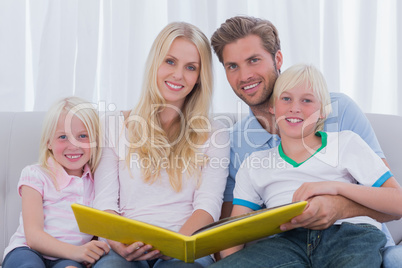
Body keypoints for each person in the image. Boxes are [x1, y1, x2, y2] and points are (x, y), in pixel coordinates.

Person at [210, 15, 402, 266]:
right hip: (287, 246)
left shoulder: (340, 113)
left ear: (277, 59)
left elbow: (391, 202)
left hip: (355, 239)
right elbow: (231, 229)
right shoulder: (236, 142)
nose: (245, 75)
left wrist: (339, 206)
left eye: (253, 60)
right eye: (232, 66)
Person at [92, 22, 230, 268]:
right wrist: (117, 243)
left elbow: (208, 206)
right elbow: (104, 203)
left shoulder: (216, 134)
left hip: (185, 245)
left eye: (190, 67)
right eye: (170, 61)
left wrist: (176, 243)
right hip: (125, 247)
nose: (178, 74)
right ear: (155, 64)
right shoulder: (113, 125)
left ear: (200, 78)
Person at [2, 97, 109, 268]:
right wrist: (77, 252)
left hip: (69, 258)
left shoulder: (98, 181)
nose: (73, 145)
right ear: (48, 142)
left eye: (82, 136)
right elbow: (33, 235)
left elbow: (97, 226)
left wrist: (91, 250)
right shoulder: (35, 175)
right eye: (63, 137)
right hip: (27, 250)